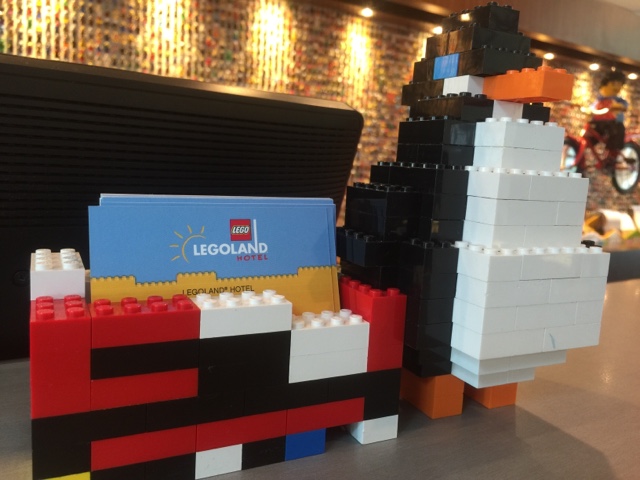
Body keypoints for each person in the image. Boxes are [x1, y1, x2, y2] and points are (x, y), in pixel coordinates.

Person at [589, 70, 628, 152]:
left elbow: (624, 105)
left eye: (619, 84)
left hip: (614, 122)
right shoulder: (600, 99)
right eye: (613, 84)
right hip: (599, 121)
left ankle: (613, 151)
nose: (616, 87)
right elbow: (593, 106)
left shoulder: (618, 100)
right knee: (592, 132)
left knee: (616, 133)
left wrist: (620, 107)